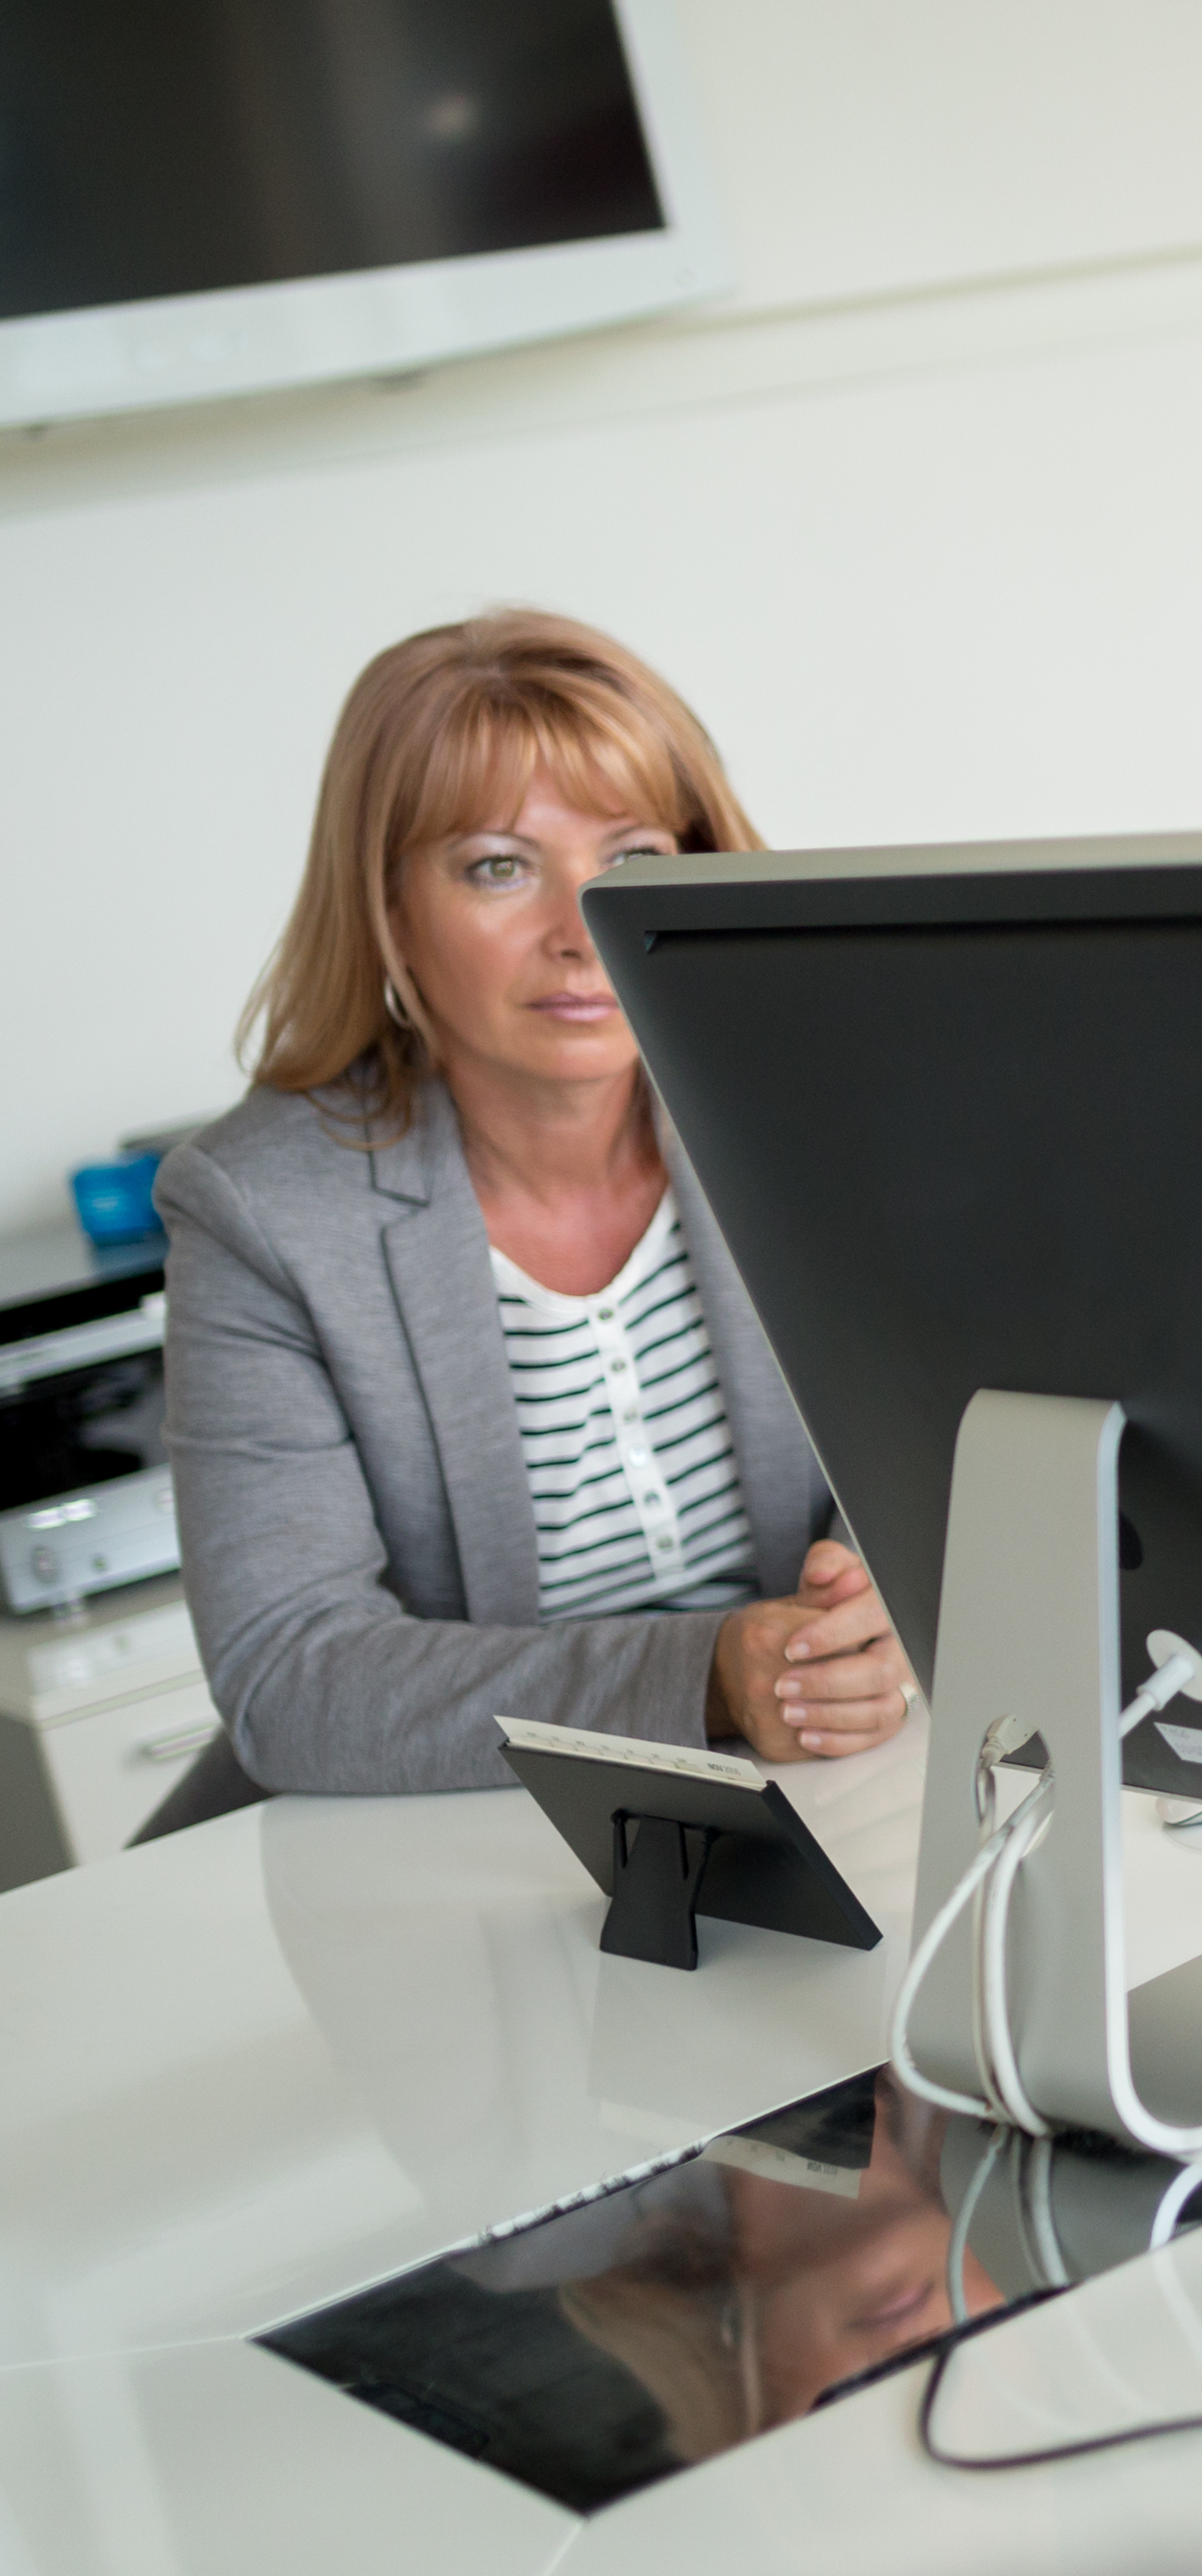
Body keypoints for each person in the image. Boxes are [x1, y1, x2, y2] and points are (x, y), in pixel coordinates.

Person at [146, 612, 904, 1829]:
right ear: (389, 912)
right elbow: (292, 1675)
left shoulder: (822, 1119)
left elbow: (967, 1467)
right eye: (498, 864)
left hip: (822, 1803)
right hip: (421, 1846)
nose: (581, 925)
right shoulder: (263, 1208)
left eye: (634, 856)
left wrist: (891, 1610)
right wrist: (704, 1678)